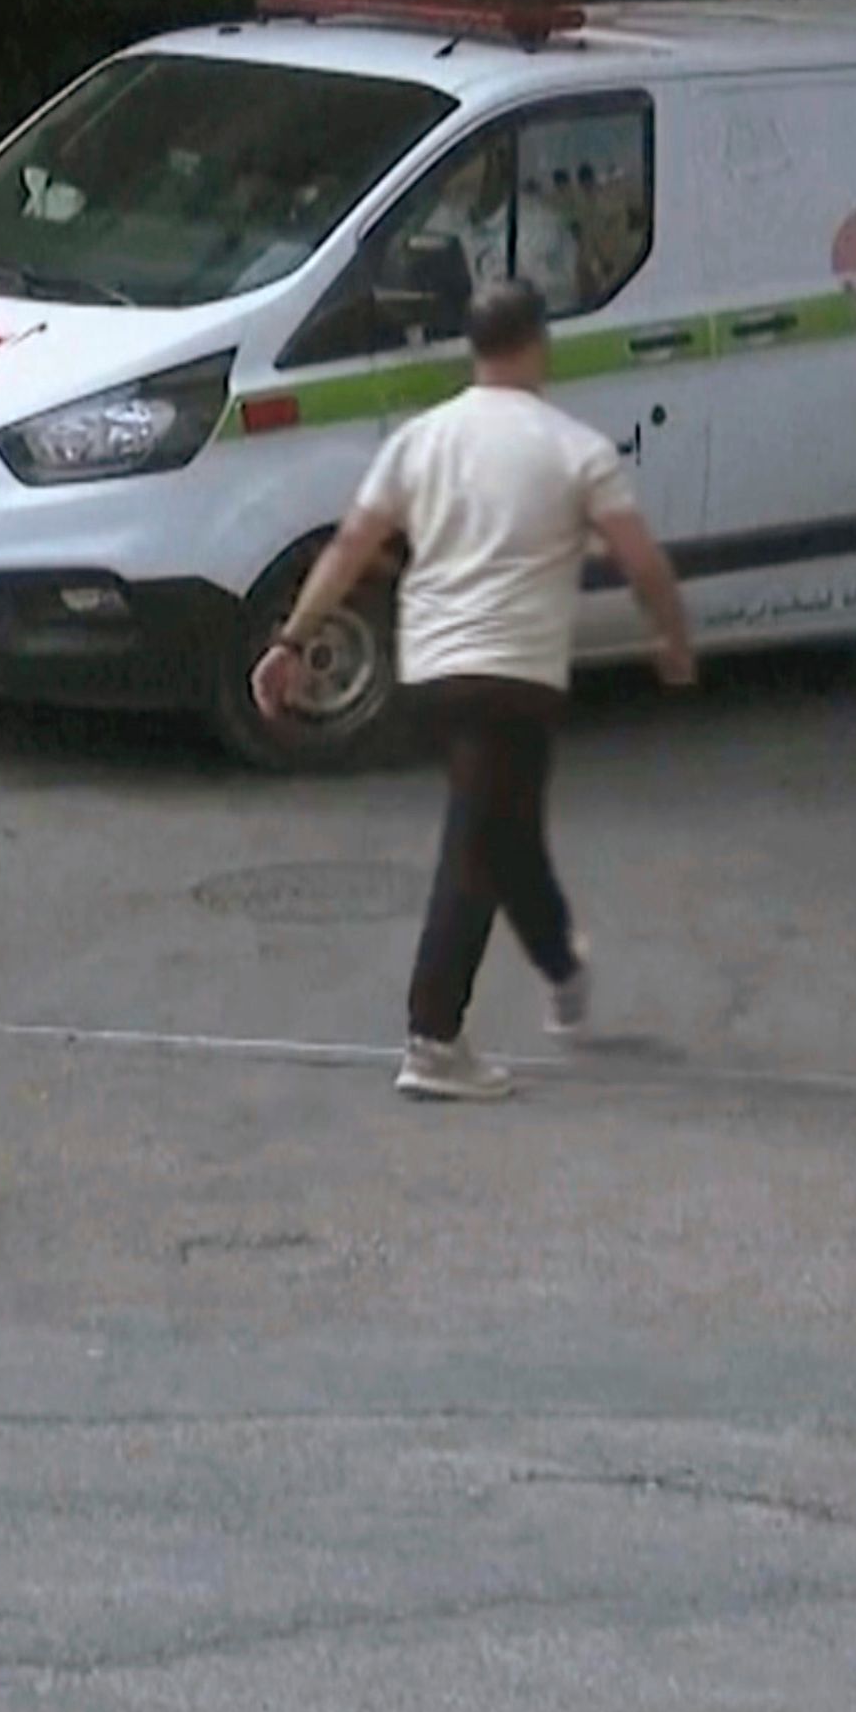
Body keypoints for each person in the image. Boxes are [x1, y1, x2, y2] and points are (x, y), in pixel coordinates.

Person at [253, 281, 697, 1101]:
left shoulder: (422, 440)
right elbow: (641, 560)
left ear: (472, 346)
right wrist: (670, 635)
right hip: (516, 677)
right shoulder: (575, 448)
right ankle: (433, 1037)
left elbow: (352, 546)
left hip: (431, 678)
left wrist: (291, 639)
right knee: (478, 845)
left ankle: (563, 967)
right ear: (538, 345)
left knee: (504, 836)